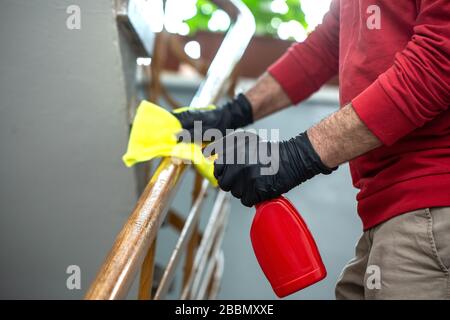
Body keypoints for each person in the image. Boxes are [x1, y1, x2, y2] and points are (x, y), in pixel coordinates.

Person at [173, 0, 450, 299]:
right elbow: (328, 44)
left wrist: (295, 156)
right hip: (390, 208)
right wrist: (231, 113)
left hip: (433, 200)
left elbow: (438, 62)